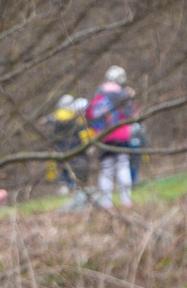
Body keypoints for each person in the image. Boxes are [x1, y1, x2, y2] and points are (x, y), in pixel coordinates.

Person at [86, 65, 137, 209]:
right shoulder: (122, 94)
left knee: (106, 168)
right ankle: (126, 200)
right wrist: (131, 98)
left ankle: (106, 203)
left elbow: (89, 115)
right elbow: (130, 114)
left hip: (103, 136)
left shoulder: (98, 93)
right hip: (121, 134)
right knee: (122, 165)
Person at [42, 94, 89, 194]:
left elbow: (44, 123)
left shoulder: (55, 116)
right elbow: (82, 131)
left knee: (64, 167)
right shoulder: (75, 116)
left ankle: (65, 186)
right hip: (75, 146)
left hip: (60, 146)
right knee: (75, 167)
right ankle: (73, 186)